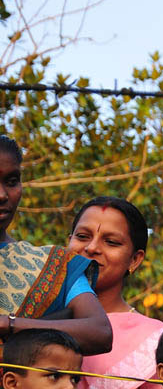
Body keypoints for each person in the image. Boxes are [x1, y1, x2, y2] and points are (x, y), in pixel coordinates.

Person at [70, 197, 163, 389]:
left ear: (135, 260)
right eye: (82, 236)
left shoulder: (155, 338)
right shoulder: (29, 313)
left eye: (111, 242)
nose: (92, 248)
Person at [0, 137, 111, 354]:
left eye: (12, 181)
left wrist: (9, 325)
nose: (2, 195)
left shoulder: (54, 264)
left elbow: (100, 332)